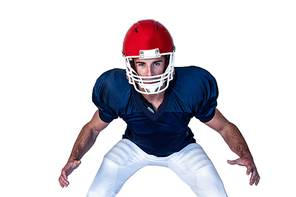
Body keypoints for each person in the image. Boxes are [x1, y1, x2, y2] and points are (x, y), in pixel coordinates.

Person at [58, 19, 260, 197]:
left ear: (168, 62)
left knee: (217, 193)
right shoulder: (116, 89)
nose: (149, 73)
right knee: (96, 193)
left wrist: (245, 153)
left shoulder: (190, 87)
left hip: (182, 149)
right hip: (134, 147)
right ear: (131, 65)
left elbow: (224, 126)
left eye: (156, 63)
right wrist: (74, 157)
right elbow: (93, 128)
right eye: (142, 64)